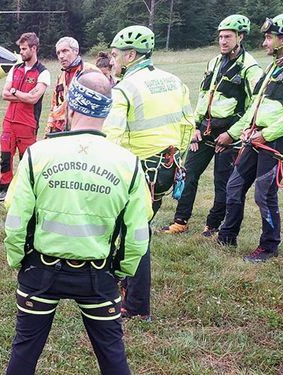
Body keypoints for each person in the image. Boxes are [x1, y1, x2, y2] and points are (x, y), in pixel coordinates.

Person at [4, 71, 151, 375]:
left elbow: (16, 217)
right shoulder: (129, 164)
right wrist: (122, 270)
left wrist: (17, 259)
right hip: (98, 276)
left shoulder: (37, 154)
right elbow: (138, 232)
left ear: (71, 107)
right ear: (106, 111)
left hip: (39, 271)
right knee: (112, 355)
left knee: (25, 348)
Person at [104, 25, 194, 320]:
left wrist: (108, 170)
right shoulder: (173, 81)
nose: (113, 61)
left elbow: (111, 136)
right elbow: (187, 124)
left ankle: (137, 304)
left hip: (140, 169)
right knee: (135, 229)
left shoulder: (125, 89)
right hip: (166, 166)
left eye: (116, 55)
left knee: (135, 234)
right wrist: (175, 157)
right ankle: (124, 282)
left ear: (131, 55)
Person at [215, 12, 283, 262]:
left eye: (269, 38)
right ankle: (227, 236)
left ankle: (269, 247)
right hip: (256, 138)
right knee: (234, 187)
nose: (264, 43)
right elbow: (254, 107)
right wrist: (237, 132)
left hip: (278, 141)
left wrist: (266, 134)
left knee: (264, 195)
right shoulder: (275, 65)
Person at [161, 15, 262, 237]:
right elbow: (204, 95)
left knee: (222, 182)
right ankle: (180, 221)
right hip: (204, 130)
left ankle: (213, 224)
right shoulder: (214, 62)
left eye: (228, 37)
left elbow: (255, 106)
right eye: (220, 37)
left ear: (240, 37)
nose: (223, 41)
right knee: (188, 174)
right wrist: (196, 126)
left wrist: (232, 134)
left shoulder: (250, 68)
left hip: (229, 134)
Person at [0, 32, 50, 202]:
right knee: (5, 157)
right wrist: (22, 95)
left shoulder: (43, 72)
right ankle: (4, 188)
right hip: (9, 122)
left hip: (27, 123)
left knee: (26, 160)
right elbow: (4, 94)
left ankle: (26, 189)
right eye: (20, 48)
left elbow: (34, 99)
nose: (21, 52)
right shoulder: (16, 68)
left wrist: (15, 92)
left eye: (24, 49)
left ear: (34, 49)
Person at [44, 36, 97, 135]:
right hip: (61, 129)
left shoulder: (90, 71)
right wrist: (49, 130)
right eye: (58, 53)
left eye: (65, 51)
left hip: (83, 128)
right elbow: (54, 105)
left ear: (76, 51)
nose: (61, 56)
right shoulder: (61, 76)